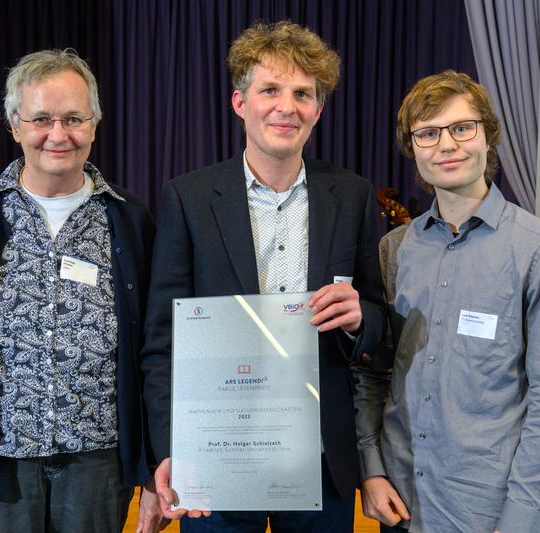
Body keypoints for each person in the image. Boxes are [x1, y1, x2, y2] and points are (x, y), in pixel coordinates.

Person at [141, 20, 389, 533]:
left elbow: (380, 318)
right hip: (218, 453)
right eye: (270, 90)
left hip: (321, 455)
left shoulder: (354, 195)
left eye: (303, 94)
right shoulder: (187, 199)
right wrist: (171, 450)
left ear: (318, 110)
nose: (286, 106)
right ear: (240, 103)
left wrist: (361, 316)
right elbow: (163, 343)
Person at [0, 49, 164, 533]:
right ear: (14, 125)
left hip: (99, 463)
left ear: (94, 125)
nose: (58, 134)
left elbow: (155, 355)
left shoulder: (130, 219)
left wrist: (153, 474)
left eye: (74, 118)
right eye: (42, 119)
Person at [354, 70, 540, 533]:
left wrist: (522, 513)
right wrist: (372, 468)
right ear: (413, 148)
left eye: (462, 127)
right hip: (401, 496)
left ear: (487, 134)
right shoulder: (393, 250)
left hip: (488, 508)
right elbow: (372, 371)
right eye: (428, 133)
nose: (447, 144)